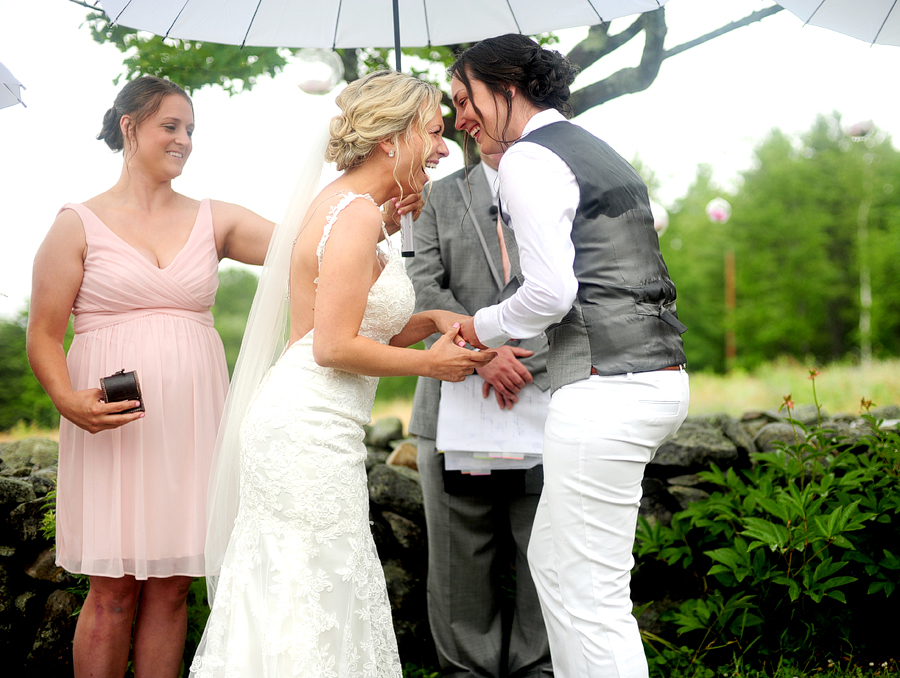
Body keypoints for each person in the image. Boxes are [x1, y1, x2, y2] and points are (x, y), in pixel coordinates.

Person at [189, 70, 495, 678]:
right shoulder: (352, 214)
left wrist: (430, 315)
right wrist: (431, 364)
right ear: (393, 138)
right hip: (308, 430)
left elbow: (362, 324)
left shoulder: (350, 210)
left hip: (310, 423)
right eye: (433, 133)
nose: (442, 147)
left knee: (307, 587)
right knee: (311, 585)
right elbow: (332, 346)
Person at [449, 35, 691, 678]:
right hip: (648, 378)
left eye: (464, 98)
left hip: (606, 386)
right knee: (555, 563)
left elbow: (550, 294)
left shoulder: (531, 158)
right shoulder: (595, 150)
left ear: (505, 85)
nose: (460, 119)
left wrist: (480, 326)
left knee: (592, 594)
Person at [25, 76, 279, 678]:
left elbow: (308, 243)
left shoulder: (216, 219)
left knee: (171, 588)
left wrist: (372, 199)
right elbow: (42, 333)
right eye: (171, 125)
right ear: (128, 126)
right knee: (112, 591)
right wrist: (66, 399)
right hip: (111, 429)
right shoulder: (76, 224)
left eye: (191, 129)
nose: (185, 140)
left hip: (192, 426)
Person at [407, 145, 552, 678]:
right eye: (459, 102)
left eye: (473, 100)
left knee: (546, 561)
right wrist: (482, 355)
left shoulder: (567, 185)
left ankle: (540, 670)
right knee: (457, 568)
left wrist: (522, 360)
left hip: (549, 402)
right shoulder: (437, 196)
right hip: (452, 411)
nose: (464, 116)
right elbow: (421, 287)